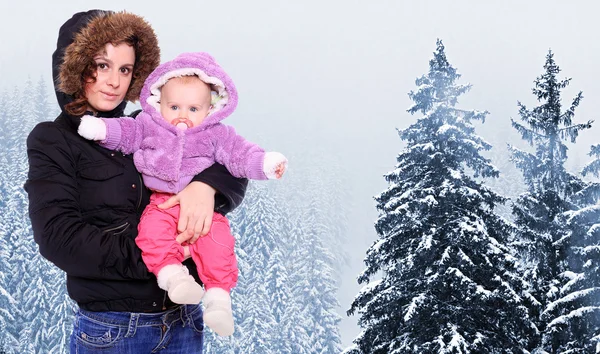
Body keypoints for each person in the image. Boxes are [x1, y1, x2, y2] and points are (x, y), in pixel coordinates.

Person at [24, 9, 247, 353]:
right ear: (74, 65)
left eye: (125, 69)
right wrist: (158, 258)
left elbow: (228, 156)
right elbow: (59, 238)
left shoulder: (148, 128)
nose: (114, 81)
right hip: (114, 330)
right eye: (102, 65)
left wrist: (206, 187)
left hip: (183, 322)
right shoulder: (54, 140)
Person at [77, 51, 288, 336]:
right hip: (161, 202)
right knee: (151, 234)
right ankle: (174, 277)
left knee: (219, 243)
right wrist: (101, 128)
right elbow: (126, 133)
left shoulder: (216, 134)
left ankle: (218, 300)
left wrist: (265, 164)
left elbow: (240, 155)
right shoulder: (148, 125)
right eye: (174, 107)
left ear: (210, 108)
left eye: (193, 109)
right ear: (158, 102)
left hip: (204, 213)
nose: (182, 117)